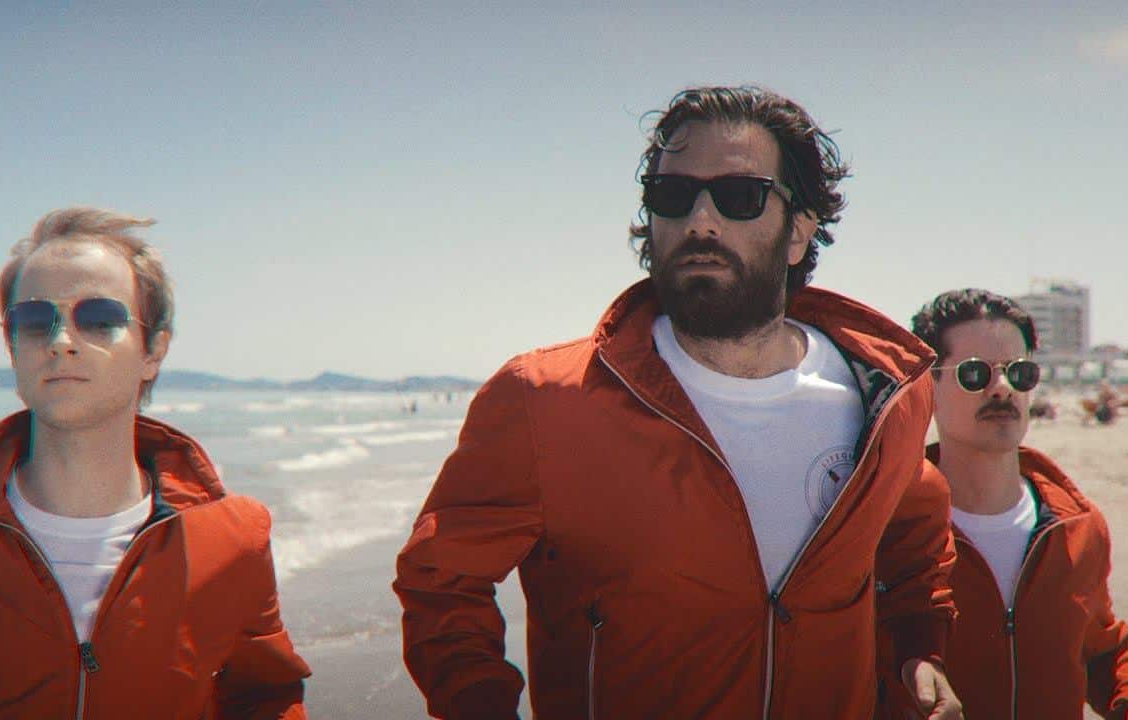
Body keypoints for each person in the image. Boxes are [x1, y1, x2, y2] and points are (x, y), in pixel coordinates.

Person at [394, 86, 959, 720]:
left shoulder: (883, 396)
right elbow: (441, 581)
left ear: (800, 231)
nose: (700, 221)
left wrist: (920, 650)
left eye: (739, 196)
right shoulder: (544, 401)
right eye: (673, 195)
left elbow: (915, 534)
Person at [0, 208, 311, 718]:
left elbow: (263, 700)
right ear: (11, 346)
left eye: (99, 319)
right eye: (34, 321)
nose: (60, 341)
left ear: (153, 351)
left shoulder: (233, 541)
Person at [905, 289, 1128, 719]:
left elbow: (1101, 650)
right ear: (926, 387)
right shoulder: (891, 530)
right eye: (974, 373)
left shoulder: (1078, 527)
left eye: (1020, 373)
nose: (1002, 388)